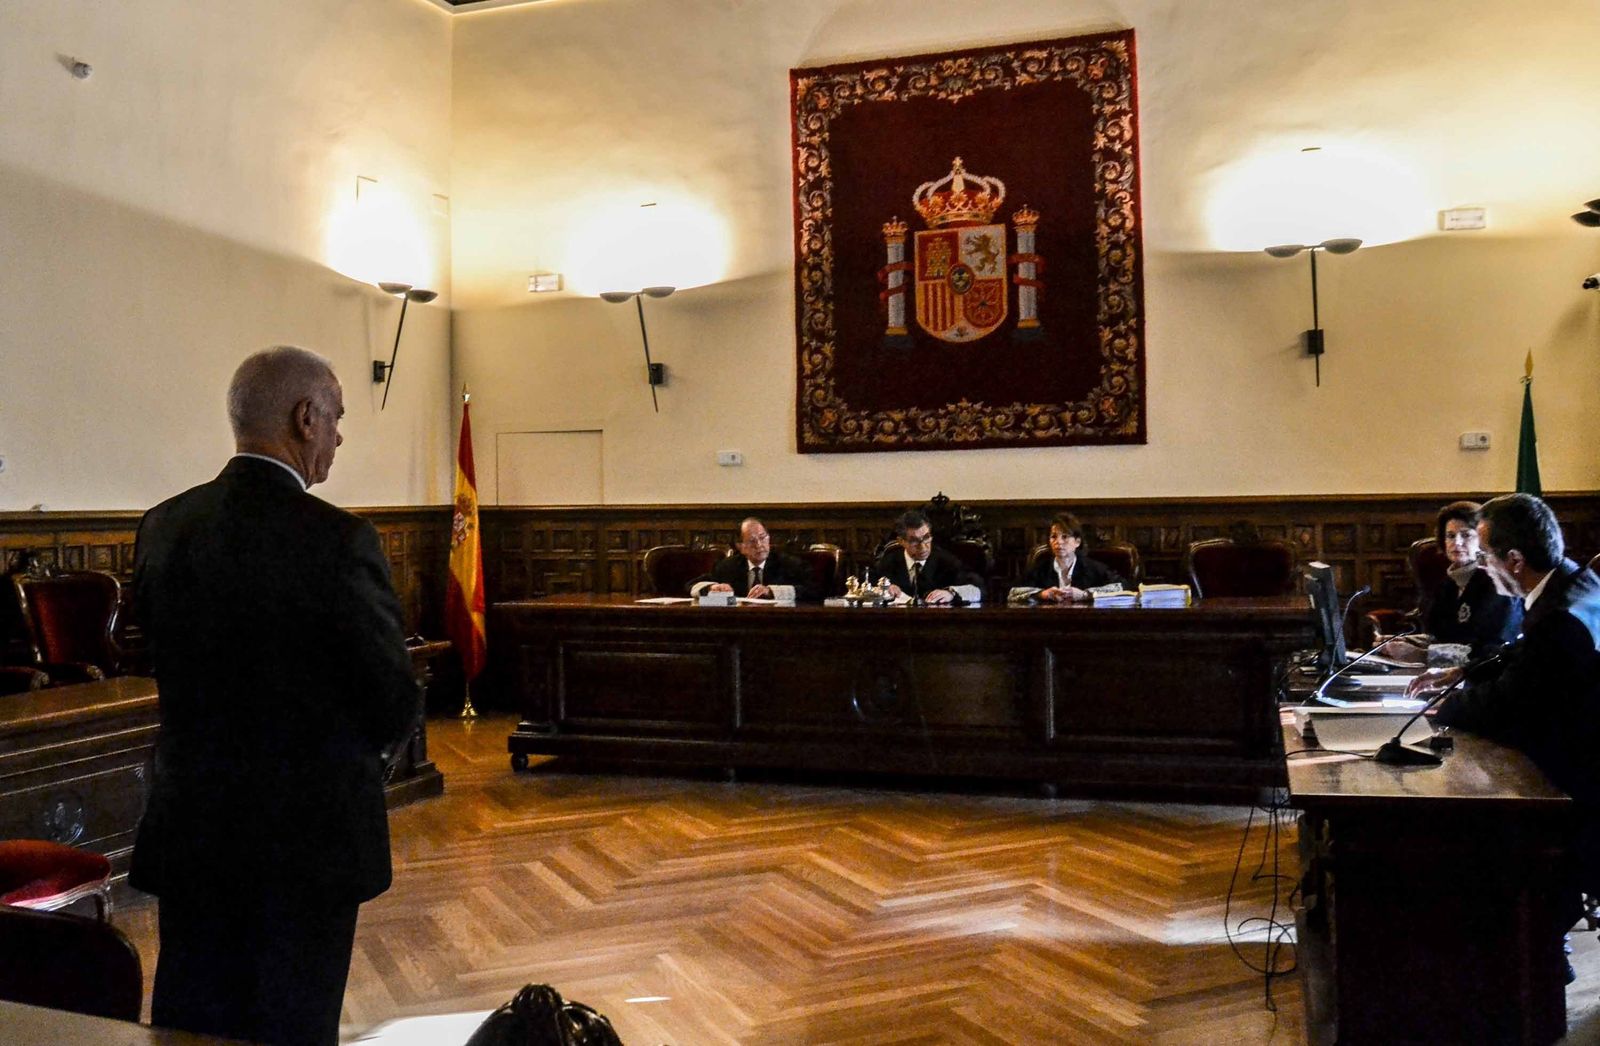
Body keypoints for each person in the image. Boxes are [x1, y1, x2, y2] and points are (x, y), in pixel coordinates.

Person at [131, 346, 419, 1046]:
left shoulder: (164, 525)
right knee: (292, 1021)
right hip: (306, 844)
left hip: (193, 824)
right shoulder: (340, 540)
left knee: (191, 1019)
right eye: (338, 418)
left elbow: (151, 656)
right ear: (305, 417)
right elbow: (390, 696)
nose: (340, 437)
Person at [1407, 493, 1600, 884]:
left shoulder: (1558, 620)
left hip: (1575, 792)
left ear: (1514, 560)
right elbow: (1523, 657)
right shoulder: (1577, 583)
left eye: (1487, 557)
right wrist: (1463, 672)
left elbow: (1508, 703)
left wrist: (1442, 708)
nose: (1484, 566)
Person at [1379, 500, 1522, 661]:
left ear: (1483, 540)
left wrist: (1422, 655)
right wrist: (1404, 642)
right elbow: (1442, 638)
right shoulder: (1447, 585)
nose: (1457, 543)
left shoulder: (1497, 584)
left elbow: (1491, 651)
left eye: (1466, 535)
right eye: (1450, 536)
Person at [871, 509, 984, 605]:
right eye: (914, 541)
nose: (923, 546)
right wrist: (883, 590)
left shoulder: (948, 562)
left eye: (926, 538)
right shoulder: (889, 561)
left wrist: (952, 593)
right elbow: (868, 587)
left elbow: (978, 590)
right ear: (901, 541)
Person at [689, 517, 818, 601]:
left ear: (769, 538)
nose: (759, 545)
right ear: (740, 547)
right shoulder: (727, 566)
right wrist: (712, 588)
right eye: (752, 541)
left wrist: (772, 591)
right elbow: (691, 585)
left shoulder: (790, 564)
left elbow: (814, 591)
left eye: (762, 538)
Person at [1021, 512, 1124, 603]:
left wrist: (1085, 595)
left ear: (1077, 542)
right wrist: (1042, 594)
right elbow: (1012, 591)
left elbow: (1122, 587)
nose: (1058, 542)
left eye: (1065, 537)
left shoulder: (1093, 568)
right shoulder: (1041, 569)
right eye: (1053, 537)